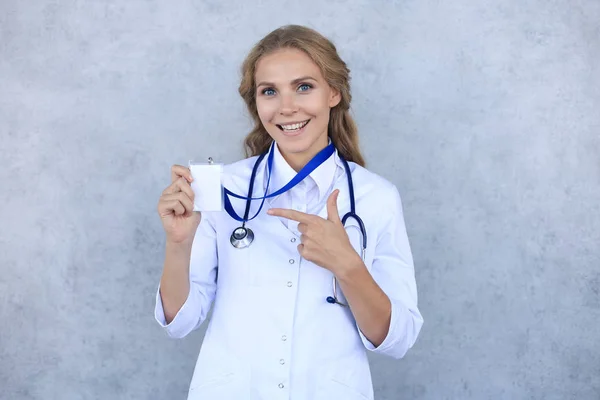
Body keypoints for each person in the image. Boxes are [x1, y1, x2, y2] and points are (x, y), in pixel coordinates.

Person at [155, 24, 423, 400]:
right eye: (269, 92)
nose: (287, 107)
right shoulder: (222, 189)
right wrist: (178, 245)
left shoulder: (375, 197)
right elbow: (180, 322)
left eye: (304, 87)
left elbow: (397, 339)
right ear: (256, 104)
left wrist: (347, 264)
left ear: (334, 92)